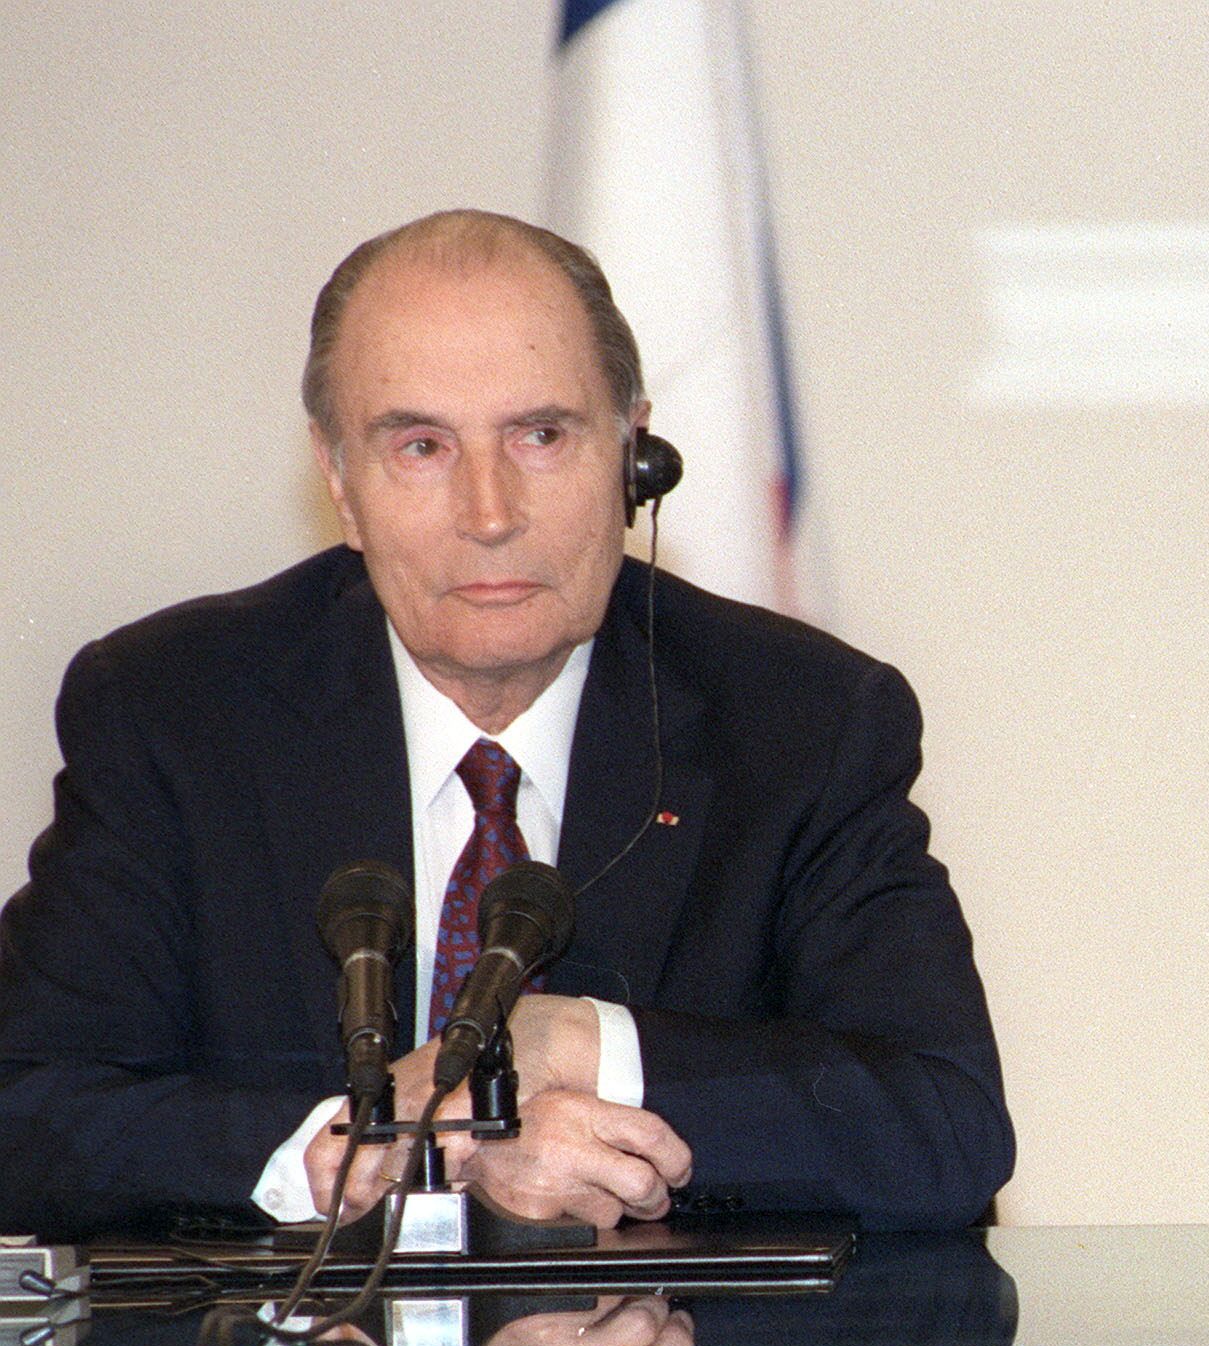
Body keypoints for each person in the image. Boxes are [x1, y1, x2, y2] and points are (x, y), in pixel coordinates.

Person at [0, 211, 1011, 1238]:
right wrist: (354, 1154)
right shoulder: (175, 713)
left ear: (633, 452)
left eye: (541, 436)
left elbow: (944, 1128)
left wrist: (583, 1049)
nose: (489, 511)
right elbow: (25, 1110)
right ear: (340, 481)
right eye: (423, 446)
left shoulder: (801, 723)